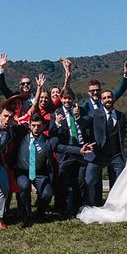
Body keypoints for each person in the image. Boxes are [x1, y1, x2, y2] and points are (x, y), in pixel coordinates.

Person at [11, 113, 93, 226]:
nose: (36, 128)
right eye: (33, 125)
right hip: (22, 171)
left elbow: (63, 148)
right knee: (24, 186)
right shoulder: (21, 133)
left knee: (47, 194)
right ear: (29, 125)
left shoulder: (48, 142)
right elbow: (7, 125)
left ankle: (40, 212)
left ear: (43, 126)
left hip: (39, 172)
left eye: (38, 125)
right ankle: (26, 215)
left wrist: (80, 151)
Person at [49, 87, 91, 215]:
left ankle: (78, 207)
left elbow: (89, 122)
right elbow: (51, 133)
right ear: (60, 99)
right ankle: (61, 207)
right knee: (63, 182)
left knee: (80, 181)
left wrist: (78, 118)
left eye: (69, 98)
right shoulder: (56, 113)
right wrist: (56, 123)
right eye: (65, 98)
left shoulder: (79, 110)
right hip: (65, 153)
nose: (67, 100)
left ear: (73, 99)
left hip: (81, 151)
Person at [85, 90, 127, 206]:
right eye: (104, 98)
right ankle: (90, 205)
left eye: (109, 97)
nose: (107, 99)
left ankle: (116, 205)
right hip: (98, 154)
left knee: (119, 182)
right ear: (101, 100)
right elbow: (84, 124)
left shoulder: (121, 116)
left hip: (116, 155)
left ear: (113, 98)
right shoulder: (94, 114)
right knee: (89, 180)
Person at [0, 53, 72, 115]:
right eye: (23, 84)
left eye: (28, 83)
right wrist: (0, 68)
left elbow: (60, 97)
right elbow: (3, 87)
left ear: (31, 85)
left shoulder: (39, 98)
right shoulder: (16, 98)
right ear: (20, 86)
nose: (25, 85)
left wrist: (67, 75)